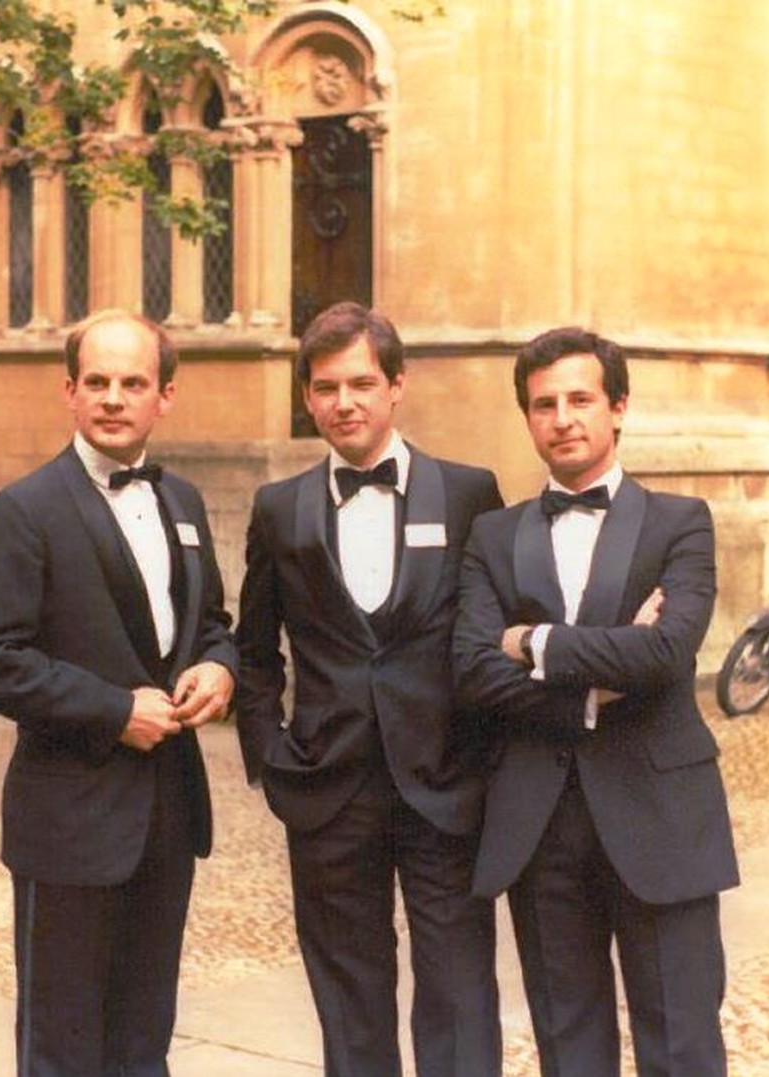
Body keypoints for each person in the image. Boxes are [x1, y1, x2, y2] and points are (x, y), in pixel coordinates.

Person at [0, 310, 236, 1077]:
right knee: (63, 1048)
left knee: (144, 1041)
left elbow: (210, 622)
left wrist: (220, 667)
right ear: (69, 391)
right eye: (97, 381)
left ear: (164, 396)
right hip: (68, 820)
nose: (113, 398)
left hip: (167, 814)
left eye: (132, 382)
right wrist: (112, 711)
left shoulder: (183, 503)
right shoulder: (23, 509)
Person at [452, 326, 739, 1077]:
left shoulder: (680, 522)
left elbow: (666, 653)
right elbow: (473, 671)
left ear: (618, 408)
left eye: (580, 399)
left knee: (682, 1048)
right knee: (568, 1049)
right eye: (543, 404)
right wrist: (597, 683)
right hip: (539, 821)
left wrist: (533, 642)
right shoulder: (492, 535)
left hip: (662, 816)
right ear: (527, 417)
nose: (562, 418)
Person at [235, 301, 504, 1077]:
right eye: (325, 387)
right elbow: (254, 650)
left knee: (458, 990)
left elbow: (496, 628)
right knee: (348, 996)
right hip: (327, 788)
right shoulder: (279, 508)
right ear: (307, 397)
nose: (343, 402)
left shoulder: (468, 493)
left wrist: (486, 758)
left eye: (360, 383)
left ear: (396, 386)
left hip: (445, 784)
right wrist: (271, 755)